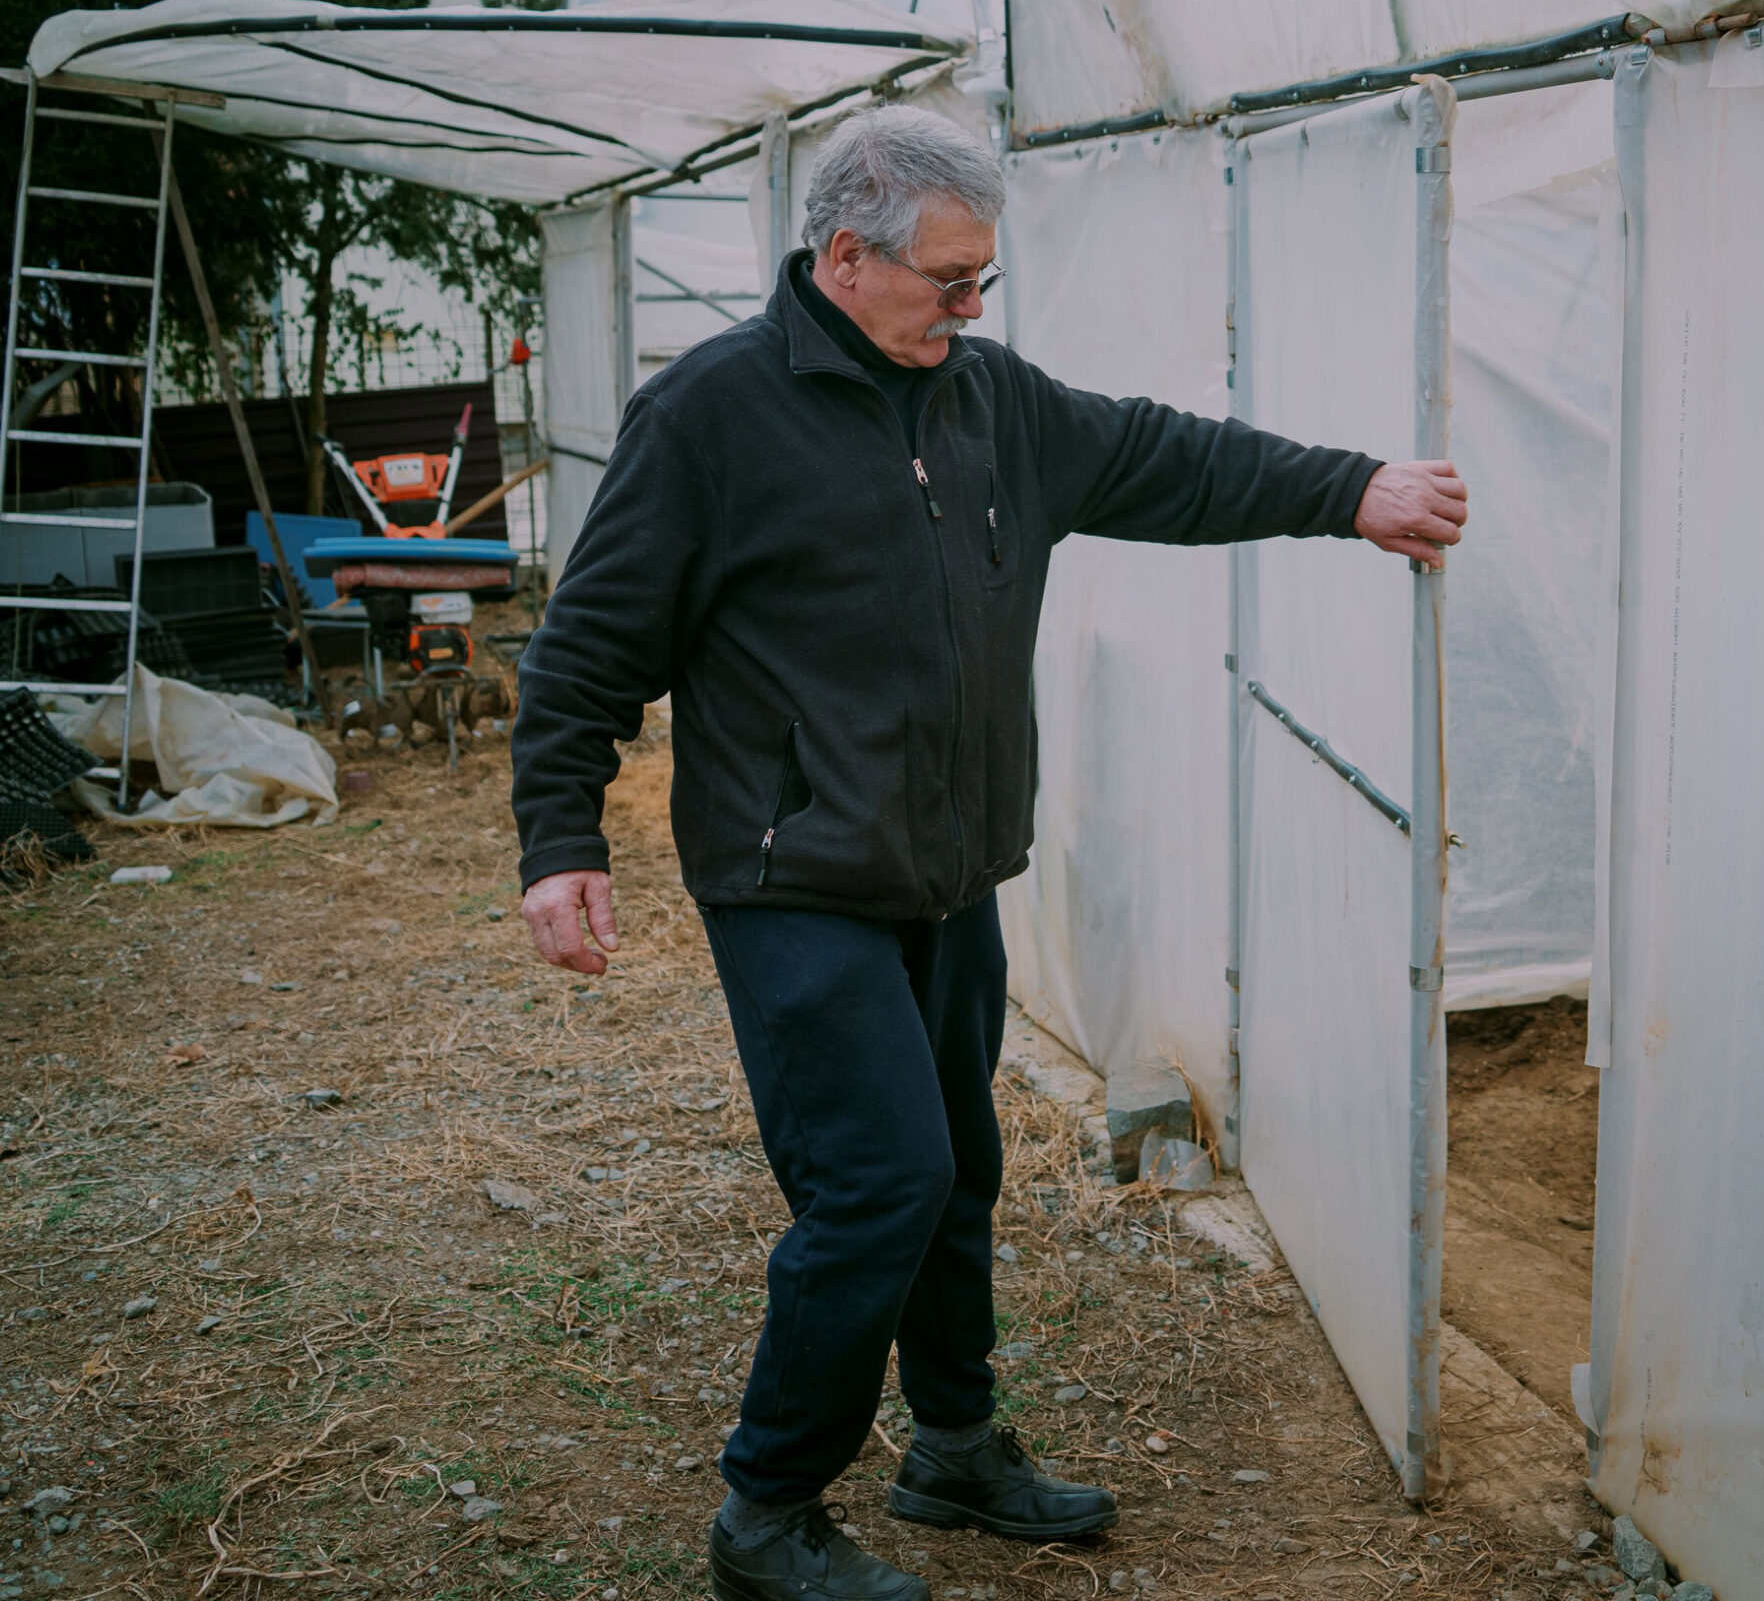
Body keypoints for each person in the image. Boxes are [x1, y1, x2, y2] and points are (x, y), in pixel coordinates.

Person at [510, 104, 1466, 1601]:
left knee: (958, 1168)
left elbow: (1168, 460)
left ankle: (953, 1446)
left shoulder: (987, 399)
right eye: (949, 281)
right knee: (881, 1180)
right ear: (844, 256)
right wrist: (560, 836)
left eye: (984, 284)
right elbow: (591, 645)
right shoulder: (710, 414)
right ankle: (764, 1513)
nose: (971, 308)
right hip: (792, 876)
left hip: (947, 872)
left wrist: (1350, 494)